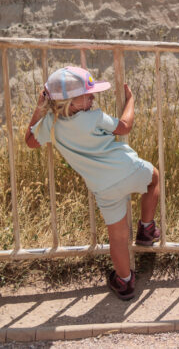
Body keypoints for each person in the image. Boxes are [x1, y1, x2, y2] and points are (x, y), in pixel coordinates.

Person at [24, 66, 161, 300]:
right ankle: (147, 229)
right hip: (128, 168)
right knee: (154, 178)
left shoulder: (51, 125)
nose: (93, 98)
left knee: (117, 237)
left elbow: (30, 141)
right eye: (87, 95)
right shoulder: (94, 117)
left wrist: (39, 109)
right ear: (71, 102)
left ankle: (125, 282)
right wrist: (131, 101)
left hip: (103, 188)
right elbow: (124, 126)